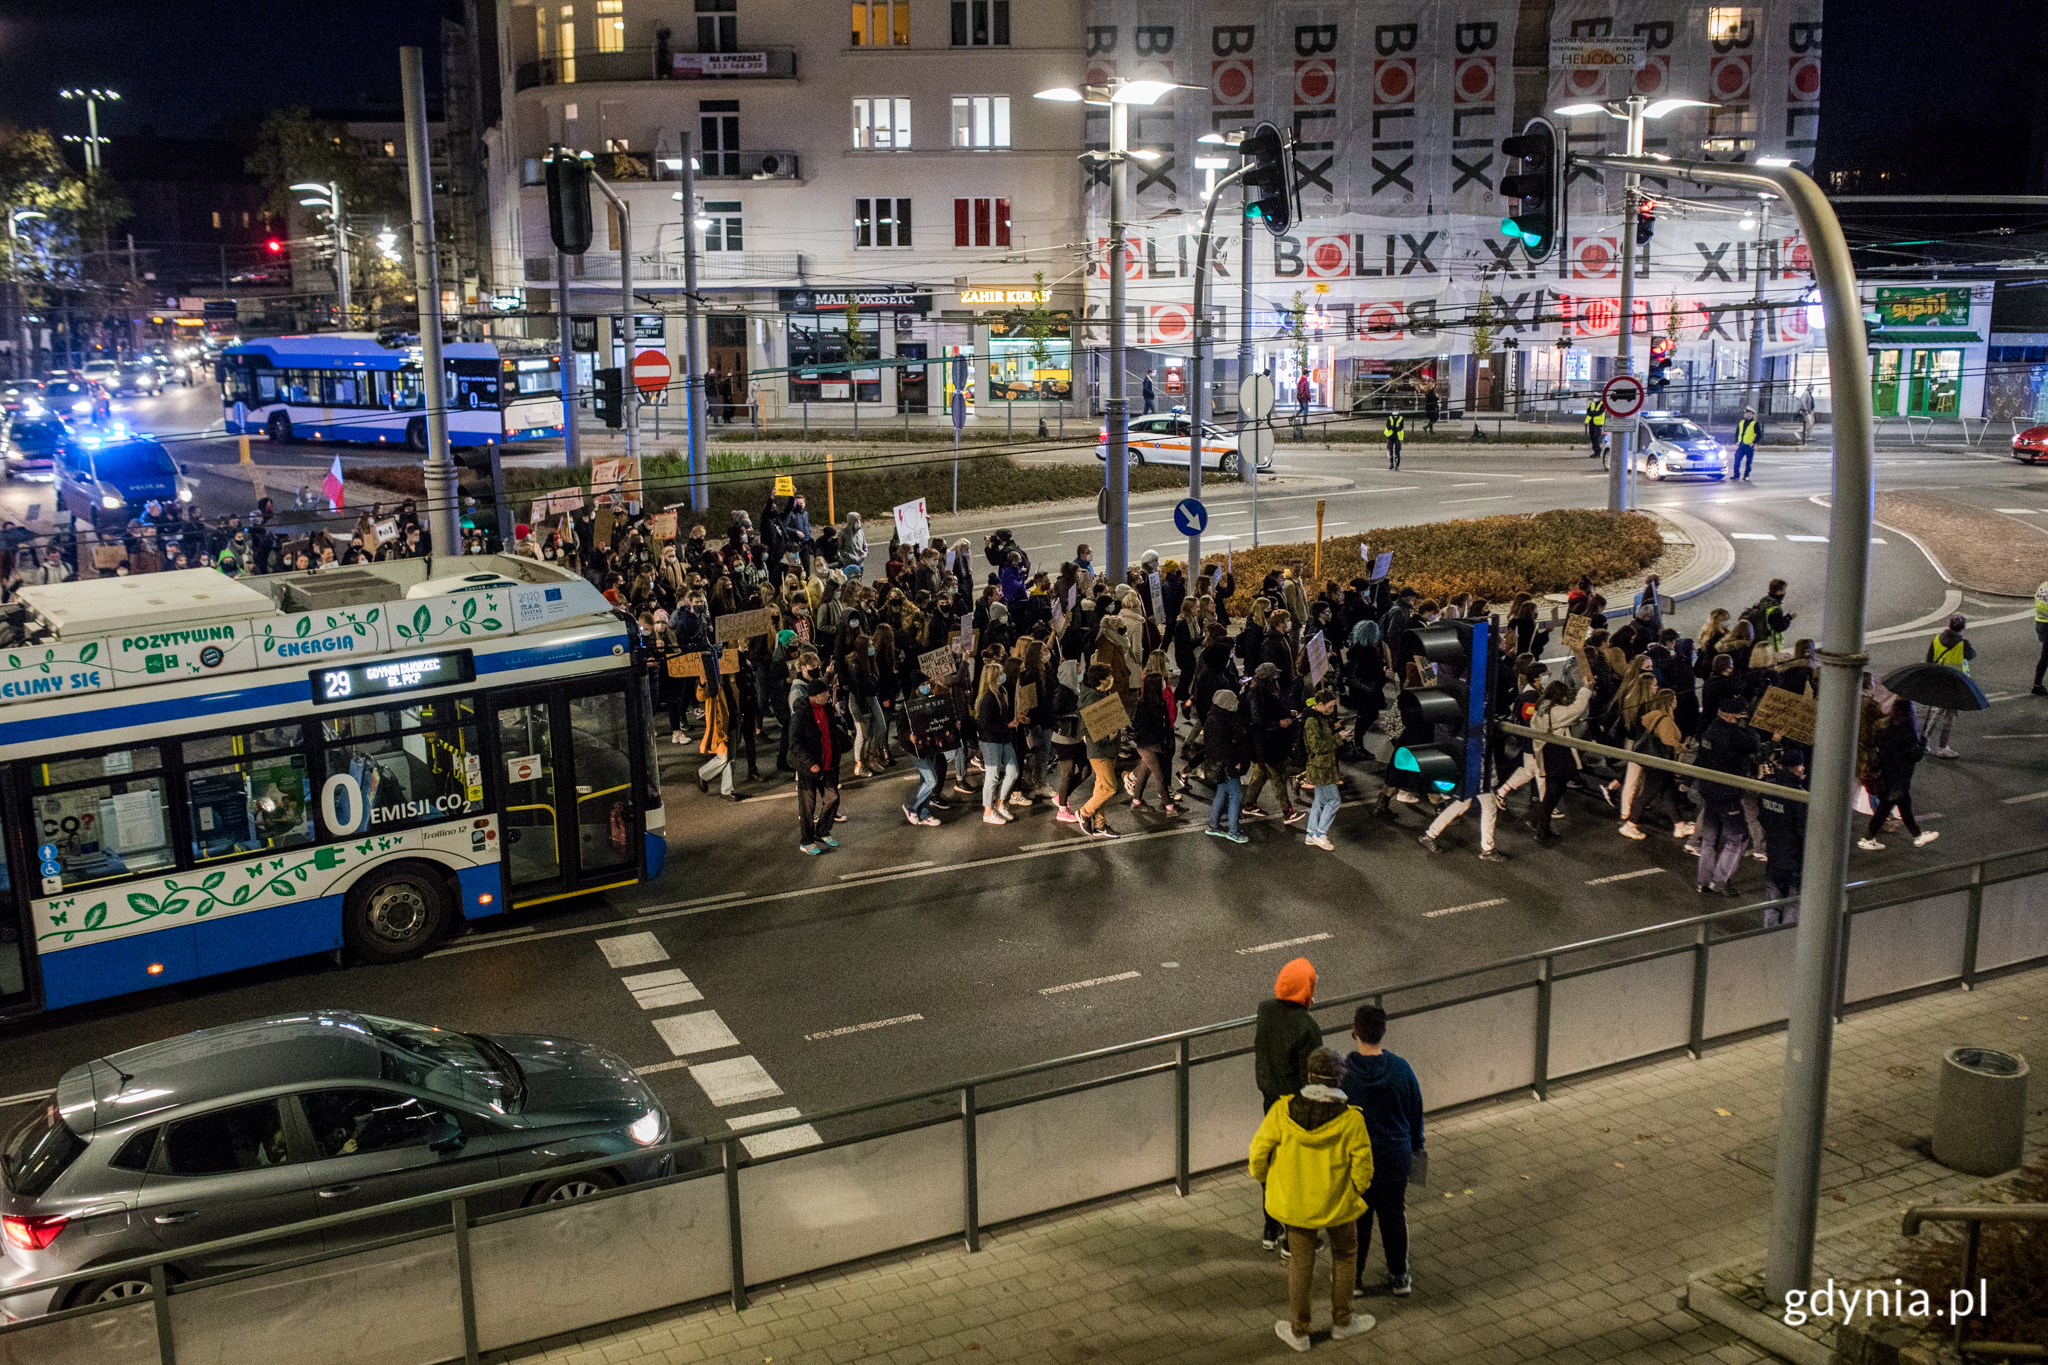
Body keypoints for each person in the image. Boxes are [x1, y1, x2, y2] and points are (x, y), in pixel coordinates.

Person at [1250, 1045, 1377, 1353]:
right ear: (1339, 1080)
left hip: (1297, 1206)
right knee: (1345, 1256)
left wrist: (1267, 1179)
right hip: (1339, 1204)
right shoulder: (1351, 1120)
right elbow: (1364, 1168)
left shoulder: (1282, 1111)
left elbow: (1257, 1154)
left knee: (1300, 1264)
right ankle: (1343, 1323)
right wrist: (1354, 1190)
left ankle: (1300, 1332)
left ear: (1309, 1076)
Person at [1341, 1005, 1422, 1298]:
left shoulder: (1344, 1073)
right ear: (1384, 1031)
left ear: (1355, 1031)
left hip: (1358, 1160)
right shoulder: (1401, 1069)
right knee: (1394, 1216)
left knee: (1359, 1220)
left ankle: (1354, 1279)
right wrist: (1416, 1149)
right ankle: (1399, 1276)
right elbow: (1415, 1113)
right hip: (1395, 1156)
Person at [1253, 958, 1325, 1247]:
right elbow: (1311, 1075)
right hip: (1296, 1107)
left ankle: (1271, 1228)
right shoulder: (1308, 1027)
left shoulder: (1265, 1010)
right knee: (1296, 1170)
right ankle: (1293, 1239)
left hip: (1271, 1102)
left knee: (1272, 1161)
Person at [1693, 699, 1760, 895]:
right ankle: (1720, 881)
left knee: (1709, 838)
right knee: (1738, 837)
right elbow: (1755, 744)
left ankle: (1703, 881)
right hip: (1727, 793)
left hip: (1709, 790)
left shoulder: (1710, 729)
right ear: (1732, 717)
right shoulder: (1731, 734)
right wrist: (1751, 729)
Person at [1860, 697, 1939, 851]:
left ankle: (1869, 838)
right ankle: (1917, 836)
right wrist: (1923, 742)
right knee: (1894, 806)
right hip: (1899, 777)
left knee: (1891, 807)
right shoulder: (1906, 730)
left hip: (1886, 774)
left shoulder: (1885, 727)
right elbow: (1914, 755)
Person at [790, 660, 847, 855]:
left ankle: (822, 831)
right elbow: (794, 743)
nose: (827, 696)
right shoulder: (801, 715)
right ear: (815, 696)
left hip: (827, 764)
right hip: (809, 767)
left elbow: (831, 735)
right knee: (808, 807)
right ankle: (806, 841)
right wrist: (810, 763)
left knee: (832, 797)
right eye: (825, 694)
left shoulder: (826, 709)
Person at [1758, 757, 1807, 926]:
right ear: (1796, 769)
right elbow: (1802, 829)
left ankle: (1770, 933)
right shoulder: (1797, 795)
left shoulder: (1769, 789)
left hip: (1774, 853)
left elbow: (1762, 818)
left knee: (1773, 899)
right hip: (1794, 857)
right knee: (1796, 901)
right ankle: (1788, 935)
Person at [1923, 614, 1974, 759]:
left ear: (1949, 625)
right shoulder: (1963, 643)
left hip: (1940, 680)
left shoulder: (1937, 639)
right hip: (1955, 682)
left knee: (1939, 710)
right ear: (1963, 628)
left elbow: (1929, 660)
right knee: (1949, 715)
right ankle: (1942, 747)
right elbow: (1971, 655)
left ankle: (1925, 739)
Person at [1205, 688, 1250, 843]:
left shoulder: (1213, 719)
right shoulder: (1223, 722)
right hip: (1228, 766)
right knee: (1236, 796)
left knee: (1221, 793)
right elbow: (1225, 747)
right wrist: (1234, 763)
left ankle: (1214, 826)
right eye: (1234, 700)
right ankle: (1233, 831)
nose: (1237, 702)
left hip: (1219, 766)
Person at [1301, 688, 1341, 851]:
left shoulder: (1318, 717)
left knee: (1319, 801)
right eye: (1329, 706)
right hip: (1321, 768)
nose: (1331, 710)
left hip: (1320, 766)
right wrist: (1338, 738)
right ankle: (1320, 833)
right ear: (1320, 704)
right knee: (1334, 801)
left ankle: (1311, 833)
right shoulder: (1312, 721)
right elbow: (1317, 746)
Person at [1733, 405, 1761, 480]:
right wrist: (1736, 441)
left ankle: (1746, 475)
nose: (1745, 414)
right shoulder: (1741, 422)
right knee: (1737, 459)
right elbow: (1737, 432)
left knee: (1748, 462)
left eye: (1747, 413)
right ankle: (1736, 475)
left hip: (1749, 446)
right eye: (1745, 413)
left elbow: (1759, 435)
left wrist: (1754, 442)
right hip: (1741, 445)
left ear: (1750, 414)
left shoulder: (1754, 423)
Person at [2034, 578, 2048, 696]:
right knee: (2045, 657)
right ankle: (2037, 686)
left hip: (2040, 622)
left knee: (2045, 656)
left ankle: (2037, 685)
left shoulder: (2043, 586)